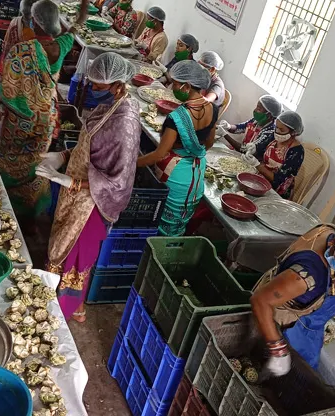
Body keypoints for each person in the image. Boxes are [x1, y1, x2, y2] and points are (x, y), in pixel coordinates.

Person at [37, 53, 141, 322]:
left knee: (75, 254)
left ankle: (70, 309)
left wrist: (73, 182)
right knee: (61, 244)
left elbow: (118, 180)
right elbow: (90, 144)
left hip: (93, 201)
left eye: (98, 86)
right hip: (77, 193)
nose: (92, 90)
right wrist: (63, 156)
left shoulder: (125, 123)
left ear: (118, 85)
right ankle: (65, 301)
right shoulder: (110, 106)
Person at [0, 0, 90, 223]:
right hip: (45, 118)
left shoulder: (20, 51)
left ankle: (6, 205)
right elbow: (79, 22)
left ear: (34, 21)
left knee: (12, 159)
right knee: (36, 161)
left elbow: (8, 92)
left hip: (19, 121)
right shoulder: (62, 45)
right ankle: (32, 213)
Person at [250, 220, 335, 373]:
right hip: (277, 317)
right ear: (334, 243)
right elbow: (260, 301)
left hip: (299, 310)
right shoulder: (306, 275)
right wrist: (278, 350)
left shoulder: (333, 236)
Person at [137, 61, 217, 236]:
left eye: (175, 83)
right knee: (178, 224)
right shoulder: (213, 108)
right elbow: (209, 143)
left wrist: (134, 163)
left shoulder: (177, 117)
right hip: (196, 175)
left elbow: (160, 154)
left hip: (175, 174)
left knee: (161, 222)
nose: (172, 87)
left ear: (187, 86)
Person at [246, 110, 305, 199]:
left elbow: (277, 180)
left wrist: (257, 165)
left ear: (293, 132)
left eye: (281, 130)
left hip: (276, 191)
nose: (277, 131)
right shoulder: (274, 137)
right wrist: (254, 148)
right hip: (261, 178)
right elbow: (261, 148)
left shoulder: (296, 152)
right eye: (276, 127)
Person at [0, 0, 44, 86]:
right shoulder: (34, 31)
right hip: (22, 77)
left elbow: (6, 47)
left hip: (8, 69)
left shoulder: (15, 21)